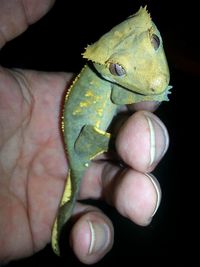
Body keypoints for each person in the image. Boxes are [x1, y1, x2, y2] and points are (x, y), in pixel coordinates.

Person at [0, 0, 169, 265]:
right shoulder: (108, 82)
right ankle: (61, 226)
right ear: (106, 66)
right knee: (109, 156)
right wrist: (155, 94)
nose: (157, 77)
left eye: (154, 41)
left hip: (84, 139)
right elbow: (116, 93)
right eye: (118, 68)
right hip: (83, 144)